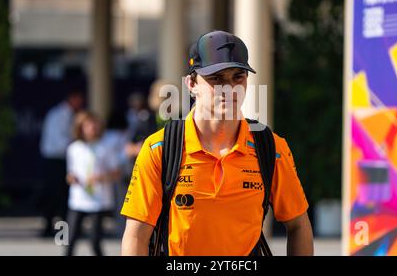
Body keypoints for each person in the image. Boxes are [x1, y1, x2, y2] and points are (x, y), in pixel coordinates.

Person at [121, 30, 313, 256]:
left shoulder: (272, 148)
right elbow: (136, 236)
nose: (229, 88)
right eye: (216, 78)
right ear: (191, 83)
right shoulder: (160, 148)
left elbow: (299, 225)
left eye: (237, 77)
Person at [65, 111, 121, 256]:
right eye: (88, 125)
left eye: (95, 125)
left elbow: (116, 173)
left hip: (98, 200)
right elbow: (70, 174)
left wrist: (101, 177)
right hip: (78, 199)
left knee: (95, 242)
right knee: (70, 240)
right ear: (80, 127)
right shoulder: (74, 148)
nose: (92, 128)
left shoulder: (105, 147)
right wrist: (72, 178)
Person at [39, 89, 84, 237]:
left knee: (65, 196)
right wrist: (76, 146)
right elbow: (57, 141)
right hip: (55, 159)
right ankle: (49, 228)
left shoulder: (72, 115)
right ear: (72, 98)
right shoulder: (58, 114)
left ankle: (65, 229)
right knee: (53, 195)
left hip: (65, 158)